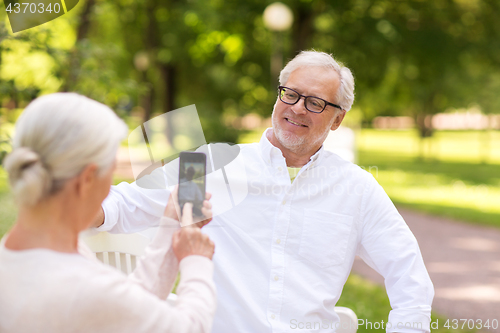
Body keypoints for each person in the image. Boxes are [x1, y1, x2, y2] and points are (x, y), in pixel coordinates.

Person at [94, 51, 434, 333]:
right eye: (291, 94)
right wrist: (55, 198)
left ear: (338, 119)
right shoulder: (207, 165)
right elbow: (122, 206)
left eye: (315, 102)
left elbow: (409, 276)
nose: (298, 108)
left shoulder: (357, 189)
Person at [0, 93, 217, 333]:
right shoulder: (85, 287)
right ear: (87, 180)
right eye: (111, 172)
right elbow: (189, 328)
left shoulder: (23, 258)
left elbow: (126, 309)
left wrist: (170, 224)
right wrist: (196, 258)